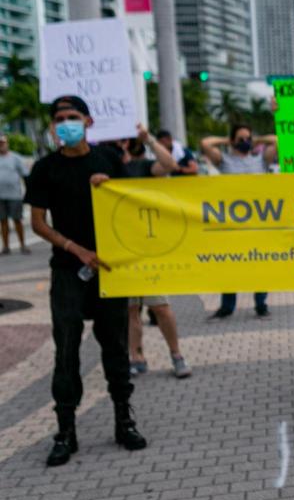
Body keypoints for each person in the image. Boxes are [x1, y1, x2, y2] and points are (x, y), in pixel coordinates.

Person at [24, 96, 147, 467]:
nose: (65, 124)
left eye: (72, 117)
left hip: (108, 269)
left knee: (115, 344)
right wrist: (72, 248)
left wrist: (110, 188)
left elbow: (134, 205)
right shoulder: (45, 168)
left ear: (89, 122)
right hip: (67, 271)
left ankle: (124, 420)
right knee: (66, 348)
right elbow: (38, 222)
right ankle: (65, 430)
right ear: (52, 127)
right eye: (59, 119)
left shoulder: (108, 160)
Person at [115, 126, 192, 380]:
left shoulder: (143, 166)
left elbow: (169, 164)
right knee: (130, 309)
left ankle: (176, 354)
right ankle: (136, 356)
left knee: (160, 306)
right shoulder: (106, 168)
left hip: (147, 248)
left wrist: (148, 139)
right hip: (119, 247)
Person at [199, 124, 278, 318]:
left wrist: (256, 140)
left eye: (247, 138)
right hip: (232, 225)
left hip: (257, 223)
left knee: (260, 263)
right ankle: (227, 307)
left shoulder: (260, 160)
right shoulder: (224, 160)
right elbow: (205, 143)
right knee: (230, 264)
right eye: (240, 139)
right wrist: (228, 141)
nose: (245, 142)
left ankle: (261, 304)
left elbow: (276, 140)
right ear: (233, 140)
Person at [0, 134, 30, 254]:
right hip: (0, 196)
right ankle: (6, 247)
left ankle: (23, 245)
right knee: (3, 221)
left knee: (17, 220)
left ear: (7, 144)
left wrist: (29, 193)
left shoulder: (15, 158)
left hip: (14, 195)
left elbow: (25, 175)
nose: (1, 145)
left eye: (3, 143)